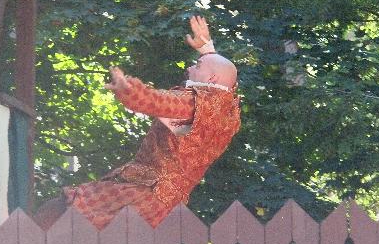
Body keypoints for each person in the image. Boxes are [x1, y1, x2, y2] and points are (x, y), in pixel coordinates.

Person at [35, 15, 241, 230]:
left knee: (59, 211)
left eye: (197, 65)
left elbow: (158, 101)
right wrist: (208, 51)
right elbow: (223, 76)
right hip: (166, 204)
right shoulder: (227, 114)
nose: (190, 68)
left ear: (211, 80)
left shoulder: (193, 103)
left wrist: (129, 90)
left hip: (142, 193)